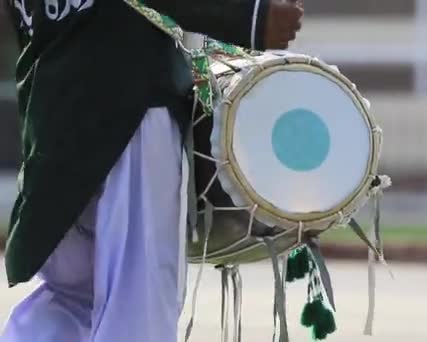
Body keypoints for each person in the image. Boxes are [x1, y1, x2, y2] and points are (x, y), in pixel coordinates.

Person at [0, 0, 303, 341]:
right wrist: (253, 15)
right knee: (137, 295)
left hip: (54, 115)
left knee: (72, 296)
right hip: (128, 106)